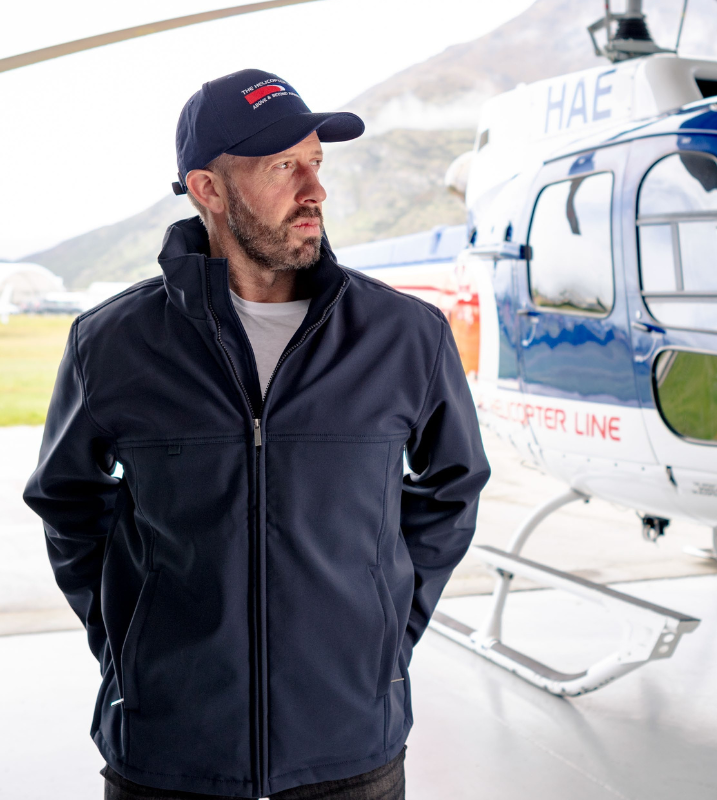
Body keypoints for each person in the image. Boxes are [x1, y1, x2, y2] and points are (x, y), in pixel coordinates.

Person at [23, 68, 491, 799]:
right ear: (208, 188)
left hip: (349, 750)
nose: (315, 189)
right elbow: (66, 500)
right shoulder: (110, 343)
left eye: (316, 162)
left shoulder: (406, 336)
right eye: (282, 166)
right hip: (169, 753)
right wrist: (132, 648)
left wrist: (382, 640)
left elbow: (453, 487)